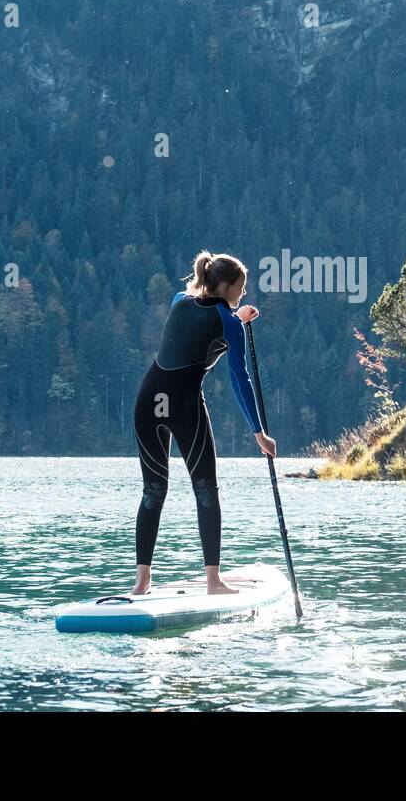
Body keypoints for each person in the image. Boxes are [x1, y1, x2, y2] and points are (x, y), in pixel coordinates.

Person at [131, 250, 277, 595]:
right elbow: (240, 379)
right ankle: (213, 582)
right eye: (240, 287)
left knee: (153, 491)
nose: (243, 293)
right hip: (185, 408)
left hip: (147, 403)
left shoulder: (178, 301)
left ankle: (141, 583)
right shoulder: (230, 325)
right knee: (205, 489)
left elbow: (199, 319)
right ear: (226, 286)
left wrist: (236, 316)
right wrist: (259, 432)